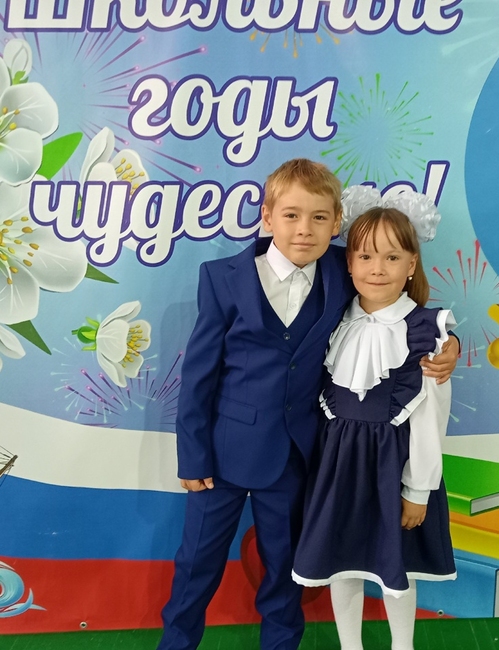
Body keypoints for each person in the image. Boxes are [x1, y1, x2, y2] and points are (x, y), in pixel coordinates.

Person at [157, 160, 459, 650]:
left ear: (336, 222)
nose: (305, 229)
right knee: (196, 565)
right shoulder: (222, 277)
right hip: (223, 455)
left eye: (319, 217)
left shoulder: (346, 270)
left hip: (299, 458)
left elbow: (392, 311)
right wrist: (192, 456)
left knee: (285, 571)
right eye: (292, 215)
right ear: (267, 216)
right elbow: (198, 375)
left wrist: (450, 344)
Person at [292, 186, 457, 650]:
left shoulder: (427, 333)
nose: (377, 269)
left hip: (392, 468)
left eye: (392, 257)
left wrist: (418, 490)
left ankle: (402, 646)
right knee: (341, 563)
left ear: (411, 265)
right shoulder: (332, 320)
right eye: (365, 256)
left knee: (395, 567)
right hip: (338, 467)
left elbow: (431, 421)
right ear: (349, 263)